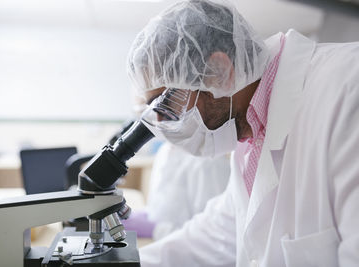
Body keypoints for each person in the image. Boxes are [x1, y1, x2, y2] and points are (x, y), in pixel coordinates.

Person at [126, 0, 359, 266]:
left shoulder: (348, 89)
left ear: (218, 72)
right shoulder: (249, 130)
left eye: (167, 104)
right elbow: (217, 236)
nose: (163, 124)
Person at [123, 142, 230, 240]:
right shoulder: (166, 149)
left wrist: (157, 229)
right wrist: (145, 215)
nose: (159, 121)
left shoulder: (210, 162)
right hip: (161, 244)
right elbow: (166, 207)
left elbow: (212, 235)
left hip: (187, 254)